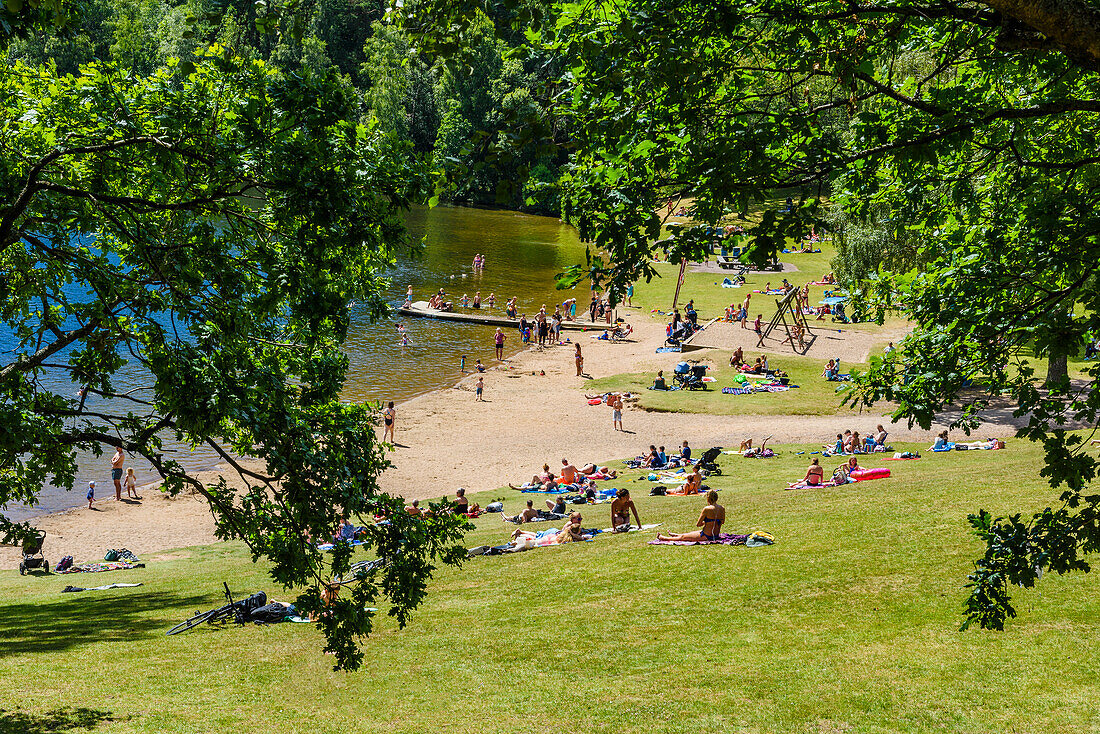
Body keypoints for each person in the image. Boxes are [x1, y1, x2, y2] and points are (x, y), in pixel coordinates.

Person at [656, 490, 725, 542]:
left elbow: (698, 524)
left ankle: (663, 538)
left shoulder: (707, 509)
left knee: (683, 537)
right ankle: (676, 535)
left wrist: (707, 522)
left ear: (708, 498)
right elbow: (722, 522)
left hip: (706, 536)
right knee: (689, 534)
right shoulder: (722, 508)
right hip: (715, 535)